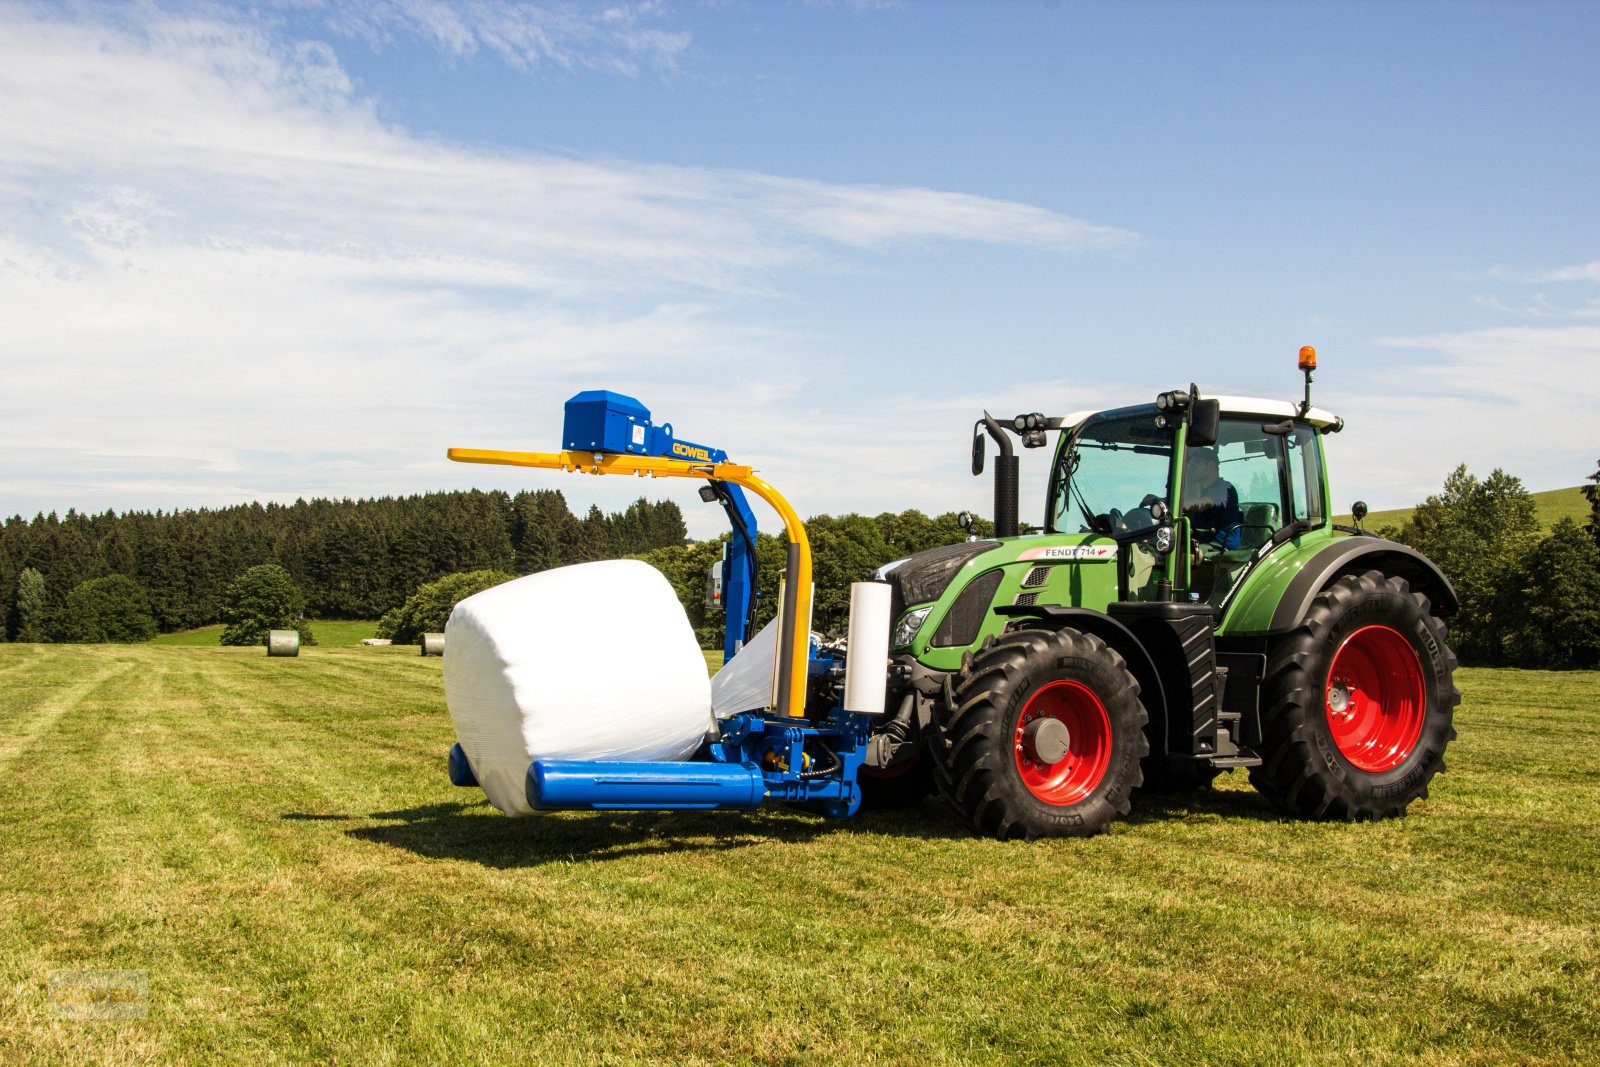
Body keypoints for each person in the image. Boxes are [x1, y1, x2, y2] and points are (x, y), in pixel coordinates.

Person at [1183, 446, 1242, 550]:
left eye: (1195, 463)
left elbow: (1201, 504)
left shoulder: (1224, 488)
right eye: (1190, 464)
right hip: (1206, 542)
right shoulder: (1205, 491)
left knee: (1185, 556)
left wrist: (1171, 504)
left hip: (1221, 546)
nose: (1191, 468)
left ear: (1211, 465)